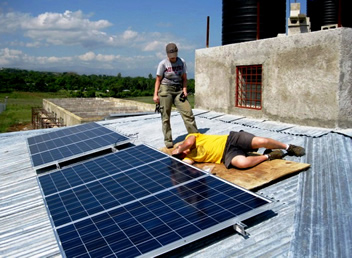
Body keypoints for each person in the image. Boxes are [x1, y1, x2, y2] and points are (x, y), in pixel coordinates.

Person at [171, 130, 305, 169]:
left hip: (231, 139)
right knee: (242, 163)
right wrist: (175, 160)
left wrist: (178, 148)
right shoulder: (189, 158)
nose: (184, 153)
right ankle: (270, 156)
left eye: (181, 150)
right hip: (227, 154)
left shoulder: (192, 137)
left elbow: (188, 143)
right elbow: (185, 165)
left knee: (261, 141)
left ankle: (289, 147)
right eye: (182, 154)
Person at [153, 43, 198, 148]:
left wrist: (185, 90)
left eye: (174, 54)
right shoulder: (163, 64)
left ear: (177, 52)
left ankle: (195, 136)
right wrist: (155, 95)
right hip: (165, 89)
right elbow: (158, 80)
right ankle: (168, 140)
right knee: (165, 116)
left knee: (188, 113)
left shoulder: (181, 62)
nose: (172, 57)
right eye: (170, 55)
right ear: (167, 54)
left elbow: (184, 78)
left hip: (178, 90)